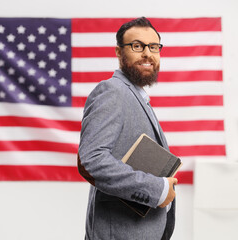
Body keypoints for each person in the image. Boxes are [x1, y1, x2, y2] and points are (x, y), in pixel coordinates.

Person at [78, 17, 178, 240]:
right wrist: (157, 189)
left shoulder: (138, 97)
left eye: (154, 47)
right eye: (137, 46)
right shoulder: (112, 91)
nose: (147, 54)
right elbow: (91, 160)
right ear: (118, 52)